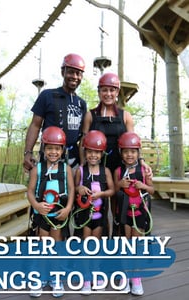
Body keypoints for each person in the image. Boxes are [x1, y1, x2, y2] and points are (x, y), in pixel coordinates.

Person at [80, 72, 151, 236]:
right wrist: (83, 165)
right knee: (99, 203)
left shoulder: (125, 116)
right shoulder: (91, 115)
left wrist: (141, 162)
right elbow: (83, 143)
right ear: (99, 92)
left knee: (119, 204)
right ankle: (101, 238)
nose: (108, 94)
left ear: (117, 92)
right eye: (104, 90)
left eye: (112, 90)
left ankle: (118, 237)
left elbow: (132, 142)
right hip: (99, 166)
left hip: (120, 166)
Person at [27, 126, 74, 298]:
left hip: (59, 215)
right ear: (44, 149)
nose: (53, 152)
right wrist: (36, 206)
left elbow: (71, 189)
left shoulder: (66, 169)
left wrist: (68, 208)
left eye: (57, 148)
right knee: (42, 247)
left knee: (56, 247)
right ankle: (40, 277)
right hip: (42, 215)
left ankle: (56, 278)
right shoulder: (37, 169)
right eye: (49, 148)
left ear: (62, 150)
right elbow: (30, 191)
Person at [23, 53, 87, 172]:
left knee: (72, 190)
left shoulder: (82, 104)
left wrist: (83, 162)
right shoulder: (47, 96)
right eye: (71, 72)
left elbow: (83, 136)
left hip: (73, 160)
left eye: (78, 73)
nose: (75, 76)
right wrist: (28, 152)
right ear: (63, 72)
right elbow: (35, 125)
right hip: (49, 157)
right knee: (48, 189)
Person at [71, 130, 115, 294]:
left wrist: (101, 194)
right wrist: (79, 188)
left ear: (102, 153)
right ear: (85, 152)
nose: (93, 155)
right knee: (85, 245)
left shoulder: (106, 171)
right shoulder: (80, 171)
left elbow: (111, 190)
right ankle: (86, 277)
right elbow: (75, 188)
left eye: (96, 152)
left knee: (95, 246)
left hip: (99, 216)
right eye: (90, 152)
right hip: (84, 217)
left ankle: (96, 272)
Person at [113, 132, 154, 296]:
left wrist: (142, 186)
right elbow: (113, 191)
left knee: (136, 245)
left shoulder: (144, 170)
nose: (129, 155)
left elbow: (152, 190)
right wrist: (120, 184)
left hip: (139, 213)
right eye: (126, 151)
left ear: (138, 152)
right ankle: (125, 274)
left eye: (133, 151)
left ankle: (136, 277)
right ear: (121, 152)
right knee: (125, 244)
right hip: (123, 214)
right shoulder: (118, 170)